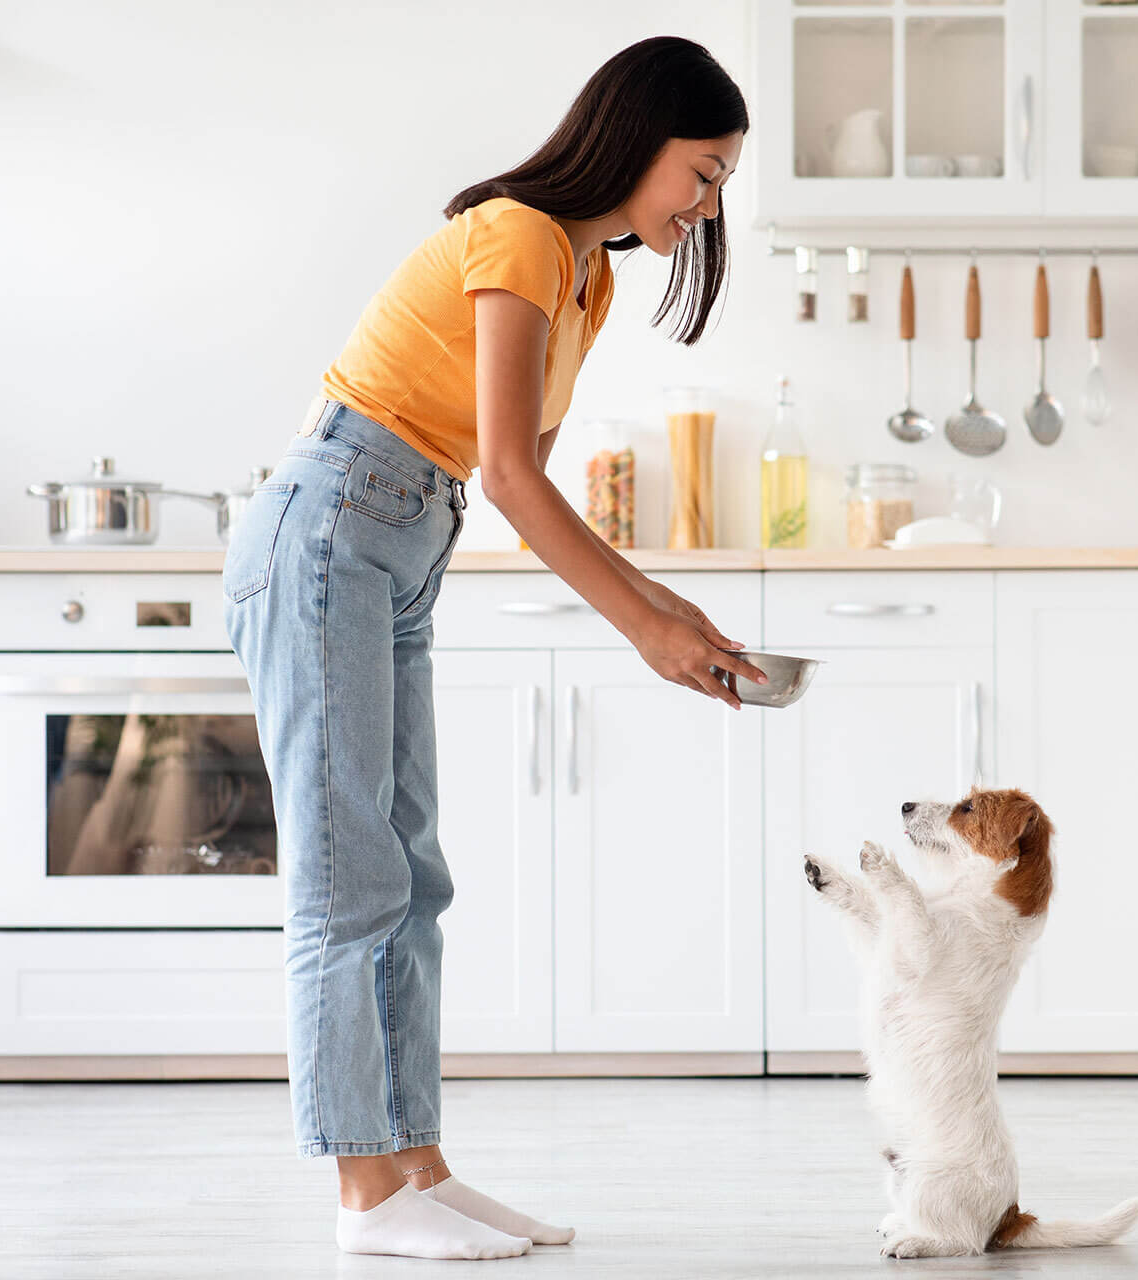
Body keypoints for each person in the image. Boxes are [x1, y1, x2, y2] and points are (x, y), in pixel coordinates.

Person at [223, 35, 761, 1262]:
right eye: (704, 172)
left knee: (414, 870)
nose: (707, 203)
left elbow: (527, 491)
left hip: (401, 540)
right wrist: (647, 625)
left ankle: (419, 1165)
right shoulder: (521, 232)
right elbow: (514, 476)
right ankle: (365, 1193)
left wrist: (669, 613)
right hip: (332, 530)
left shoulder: (590, 280)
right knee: (349, 871)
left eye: (721, 181)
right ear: (637, 138)